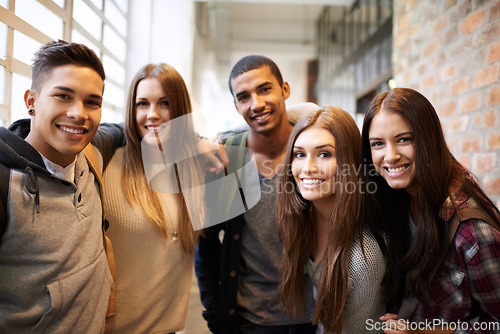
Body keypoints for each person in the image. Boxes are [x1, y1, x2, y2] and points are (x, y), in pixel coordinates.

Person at [0, 40, 120, 333]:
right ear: (31, 101)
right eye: (63, 96)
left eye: (92, 102)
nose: (79, 113)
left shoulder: (92, 153)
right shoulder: (4, 183)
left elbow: (126, 129)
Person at [360, 88, 500, 333]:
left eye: (404, 139)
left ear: (428, 139)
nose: (390, 156)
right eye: (378, 144)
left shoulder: (473, 232)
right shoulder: (393, 200)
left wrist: (425, 331)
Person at [195, 55, 316, 334]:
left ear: (285, 90)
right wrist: (215, 315)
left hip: (313, 318)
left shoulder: (315, 150)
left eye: (265, 89)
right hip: (249, 320)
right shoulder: (225, 160)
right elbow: (207, 246)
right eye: (244, 97)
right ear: (236, 105)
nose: (257, 104)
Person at [102, 63, 205, 333]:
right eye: (142, 104)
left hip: (167, 329)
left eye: (165, 103)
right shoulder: (106, 164)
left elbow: (279, 127)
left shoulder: (196, 171)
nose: (153, 115)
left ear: (180, 109)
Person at [276, 106, 387, 334]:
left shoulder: (363, 256)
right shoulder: (300, 218)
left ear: (351, 162)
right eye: (299, 154)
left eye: (325, 154)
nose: (308, 168)